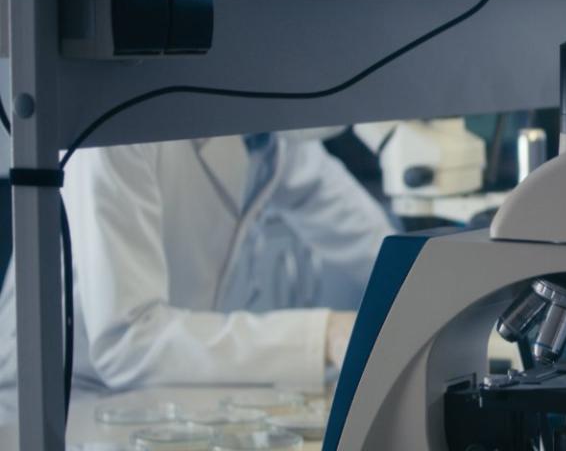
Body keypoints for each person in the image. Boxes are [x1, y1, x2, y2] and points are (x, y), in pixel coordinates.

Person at [0, 128, 393, 394]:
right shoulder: (119, 132)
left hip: (159, 392)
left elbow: (376, 244)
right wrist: (325, 334)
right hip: (62, 400)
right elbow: (128, 343)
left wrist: (433, 290)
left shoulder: (271, 136)